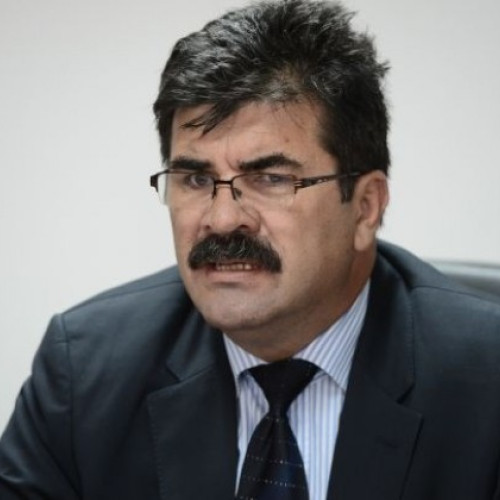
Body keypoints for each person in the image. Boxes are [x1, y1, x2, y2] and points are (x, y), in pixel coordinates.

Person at [1, 0, 500, 498]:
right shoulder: (84, 372)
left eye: (270, 178)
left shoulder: (487, 382)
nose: (221, 219)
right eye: (196, 179)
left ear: (366, 207)